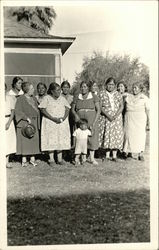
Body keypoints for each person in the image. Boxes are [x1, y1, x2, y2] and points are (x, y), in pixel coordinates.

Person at [39, 82, 71, 166]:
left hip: (61, 122)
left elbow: (68, 108)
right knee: (51, 139)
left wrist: (63, 118)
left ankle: (60, 159)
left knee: (60, 139)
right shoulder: (47, 98)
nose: (59, 92)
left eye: (60, 90)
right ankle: (52, 159)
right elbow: (42, 110)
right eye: (57, 90)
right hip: (50, 122)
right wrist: (52, 118)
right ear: (52, 91)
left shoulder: (62, 98)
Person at [72, 81, 100, 165]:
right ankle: (79, 157)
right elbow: (72, 109)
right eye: (82, 87)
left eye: (85, 86)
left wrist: (94, 122)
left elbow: (98, 110)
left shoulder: (94, 96)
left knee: (92, 136)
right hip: (80, 119)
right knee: (80, 137)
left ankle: (91, 158)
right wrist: (76, 116)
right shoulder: (77, 96)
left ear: (89, 88)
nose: (83, 88)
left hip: (91, 118)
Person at [15, 82, 40, 167]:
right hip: (25, 123)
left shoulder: (34, 99)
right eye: (32, 89)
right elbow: (18, 111)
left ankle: (32, 159)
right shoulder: (20, 99)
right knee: (25, 141)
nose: (33, 90)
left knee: (33, 140)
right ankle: (24, 159)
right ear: (27, 90)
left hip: (34, 122)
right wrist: (26, 118)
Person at [98, 77, 123, 162]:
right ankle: (107, 155)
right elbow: (100, 107)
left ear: (115, 85)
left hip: (117, 117)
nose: (110, 86)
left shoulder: (118, 94)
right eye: (109, 84)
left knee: (116, 135)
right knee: (107, 134)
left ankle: (114, 155)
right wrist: (108, 115)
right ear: (106, 85)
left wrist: (115, 115)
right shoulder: (101, 94)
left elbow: (121, 106)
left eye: (112, 84)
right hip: (106, 117)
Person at [123, 82, 150, 161]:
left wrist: (149, 122)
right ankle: (129, 153)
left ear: (140, 89)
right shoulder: (128, 97)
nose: (134, 89)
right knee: (129, 135)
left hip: (140, 120)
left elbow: (147, 110)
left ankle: (140, 154)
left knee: (140, 136)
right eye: (133, 87)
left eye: (136, 88)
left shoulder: (144, 98)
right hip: (129, 118)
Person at [5, 84, 16, 168]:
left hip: (8, 119)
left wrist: (8, 122)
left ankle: (6, 161)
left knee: (8, 141)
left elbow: (12, 112)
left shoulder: (9, 98)